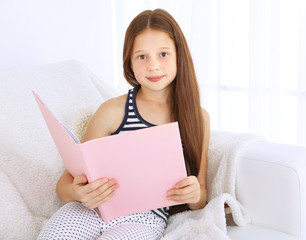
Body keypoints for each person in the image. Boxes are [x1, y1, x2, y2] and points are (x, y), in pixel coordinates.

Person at [38, 8, 210, 240]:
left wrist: (193, 193)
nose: (153, 66)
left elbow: (200, 197)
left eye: (163, 54)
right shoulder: (112, 110)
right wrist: (77, 192)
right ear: (129, 62)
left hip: (144, 220)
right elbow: (66, 182)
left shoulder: (197, 117)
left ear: (179, 55)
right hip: (91, 209)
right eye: (142, 56)